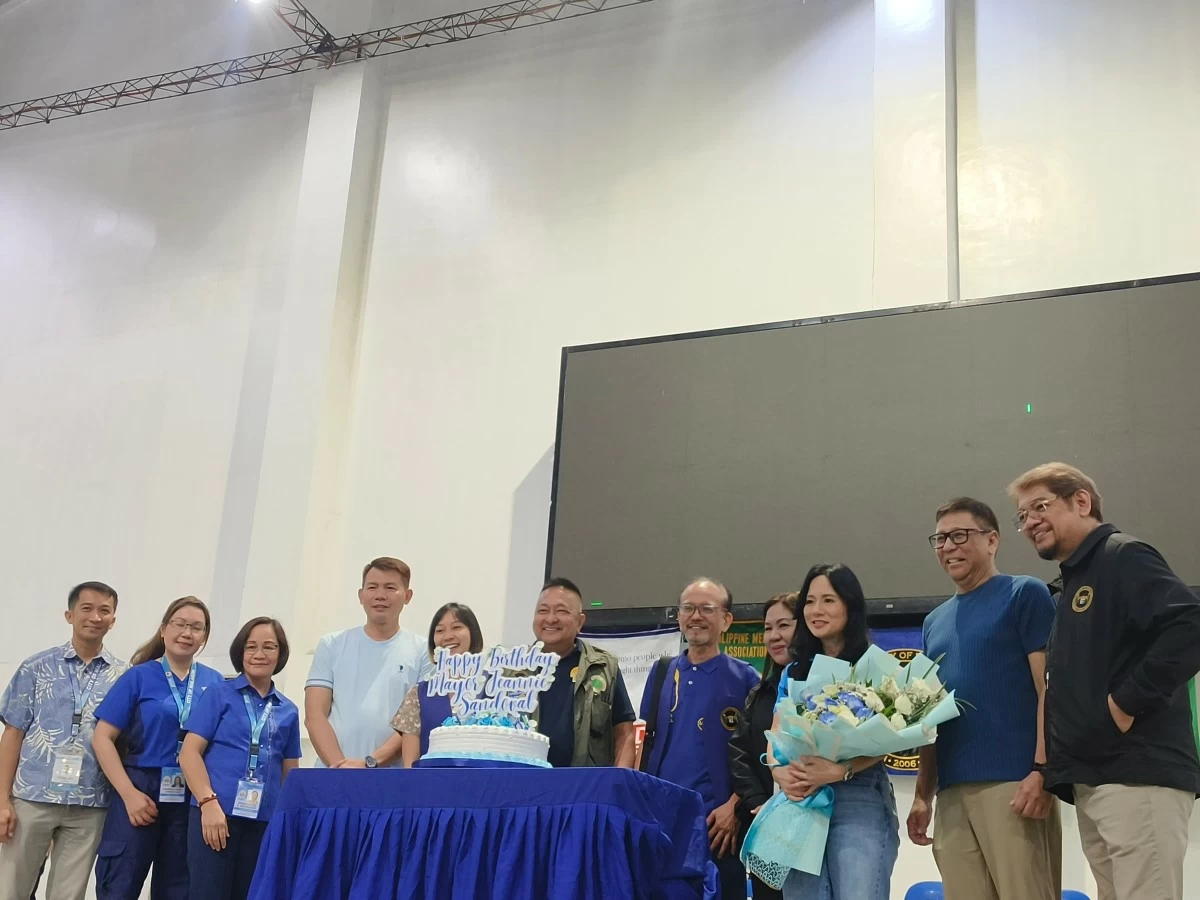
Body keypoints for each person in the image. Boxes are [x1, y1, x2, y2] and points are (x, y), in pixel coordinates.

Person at [1008, 462, 1200, 900]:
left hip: (1137, 773)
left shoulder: (1121, 555)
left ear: (1081, 501)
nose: (1030, 521)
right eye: (1022, 516)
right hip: (1095, 778)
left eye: (1039, 506)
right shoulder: (1072, 582)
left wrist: (1123, 705)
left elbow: (1189, 627)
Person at [907, 498, 1061, 900]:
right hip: (953, 792)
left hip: (1015, 784)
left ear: (992, 540)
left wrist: (1043, 771)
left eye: (960, 535)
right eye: (940, 539)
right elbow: (928, 713)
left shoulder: (1024, 594)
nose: (948, 547)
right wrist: (924, 794)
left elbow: (1049, 688)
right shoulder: (933, 621)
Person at [771, 564, 898, 900]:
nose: (817, 610)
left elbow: (887, 739)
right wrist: (779, 771)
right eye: (810, 602)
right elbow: (776, 735)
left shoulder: (874, 667)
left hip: (858, 795)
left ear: (850, 605)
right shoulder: (794, 671)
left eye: (828, 600)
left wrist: (840, 770)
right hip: (802, 798)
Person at [91, 596, 225, 900]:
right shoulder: (138, 676)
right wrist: (128, 795)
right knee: (119, 883)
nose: (187, 633)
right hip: (140, 787)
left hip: (190, 795)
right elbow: (102, 738)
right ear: (163, 630)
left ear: (204, 637)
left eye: (196, 627)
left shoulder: (215, 684)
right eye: (179, 624)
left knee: (180, 885)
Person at [0, 582, 126, 900]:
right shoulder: (36, 667)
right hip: (32, 797)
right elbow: (13, 733)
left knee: (68, 895)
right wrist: (2, 799)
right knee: (11, 888)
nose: (95, 617)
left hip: (91, 803)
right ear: (69, 615)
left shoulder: (124, 676)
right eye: (87, 608)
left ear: (113, 620)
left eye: (105, 611)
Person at [640, 577, 758, 899]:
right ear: (678, 617)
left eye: (707, 608)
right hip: (662, 822)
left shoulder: (746, 677)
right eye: (688, 608)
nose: (696, 616)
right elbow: (646, 744)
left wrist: (734, 807)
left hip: (718, 826)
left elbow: (761, 757)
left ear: (726, 620)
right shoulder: (662, 672)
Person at [179, 617, 301, 900]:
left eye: (269, 647)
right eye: (251, 647)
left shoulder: (288, 710)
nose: (259, 654)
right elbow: (189, 753)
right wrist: (208, 803)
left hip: (262, 822)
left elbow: (290, 773)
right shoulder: (219, 695)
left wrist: (285, 824)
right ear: (240, 652)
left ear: (280, 654)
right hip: (216, 816)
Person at [304, 557, 433, 770]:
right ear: (361, 595)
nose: (380, 595)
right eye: (372, 587)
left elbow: (415, 722)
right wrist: (340, 766)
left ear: (407, 596)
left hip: (391, 780)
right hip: (334, 774)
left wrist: (369, 763)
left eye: (390, 587)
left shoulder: (423, 651)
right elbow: (315, 714)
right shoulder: (332, 644)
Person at [729, 592, 799, 900]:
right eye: (768, 628)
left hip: (813, 824)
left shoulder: (825, 687)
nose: (774, 636)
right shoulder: (758, 694)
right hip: (766, 825)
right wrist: (758, 803)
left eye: (783, 625)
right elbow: (739, 752)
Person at [533, 578, 636, 768]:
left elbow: (625, 734)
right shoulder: (512, 672)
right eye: (543, 610)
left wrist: (617, 783)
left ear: (580, 621)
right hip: (523, 786)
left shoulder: (604, 667)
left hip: (585, 789)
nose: (550, 619)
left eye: (561, 611)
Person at [391, 603, 485, 766]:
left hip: (487, 787)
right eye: (440, 630)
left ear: (473, 633)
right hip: (432, 787)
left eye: (457, 627)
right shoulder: (419, 693)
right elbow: (410, 765)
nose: (448, 636)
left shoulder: (495, 687)